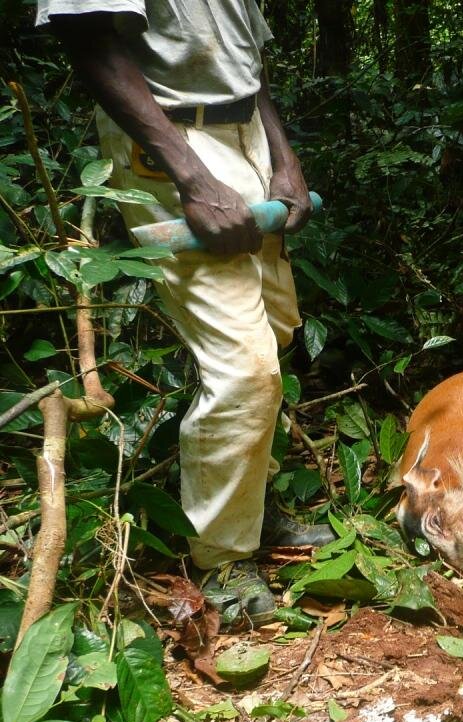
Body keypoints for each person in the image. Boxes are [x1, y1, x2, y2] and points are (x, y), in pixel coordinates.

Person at [36, 0, 334, 625]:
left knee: (275, 330)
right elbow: (90, 41)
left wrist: (286, 158)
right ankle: (222, 554)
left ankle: (248, 505)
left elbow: (250, 63)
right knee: (245, 367)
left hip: (246, 133)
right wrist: (192, 178)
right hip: (170, 142)